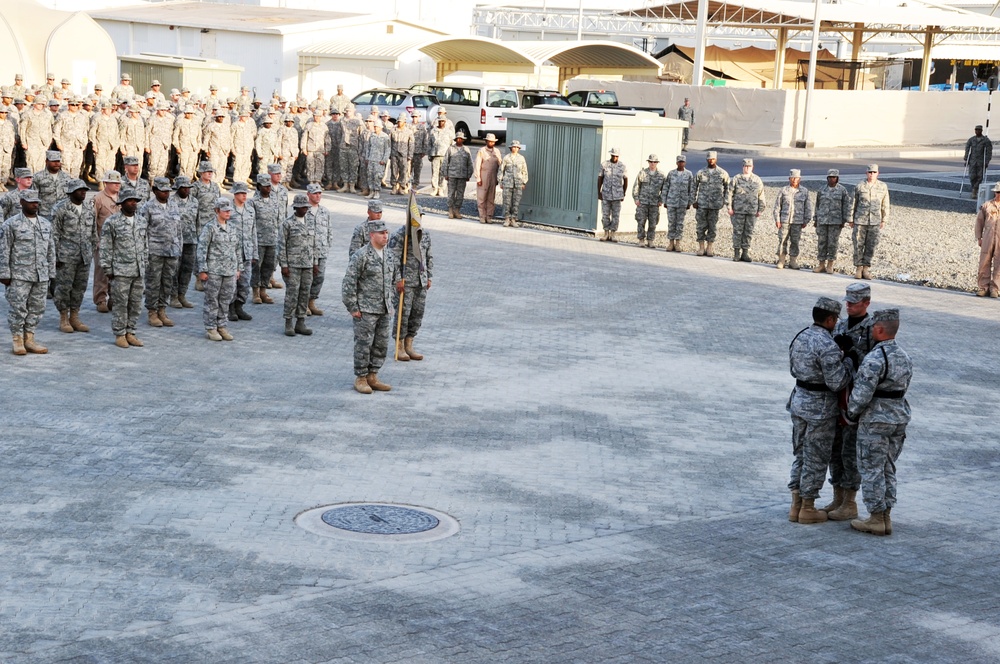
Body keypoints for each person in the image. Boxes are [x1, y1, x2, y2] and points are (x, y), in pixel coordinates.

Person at [786, 296, 854, 525]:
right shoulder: (827, 345)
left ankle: (795, 505)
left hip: (799, 401)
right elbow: (837, 382)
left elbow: (793, 368)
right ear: (830, 319)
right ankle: (808, 507)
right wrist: (847, 362)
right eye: (835, 319)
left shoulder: (800, 336)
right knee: (816, 458)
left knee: (801, 454)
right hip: (820, 408)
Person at [844, 308, 912, 536]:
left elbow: (861, 395)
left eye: (874, 327)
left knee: (871, 468)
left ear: (880, 329)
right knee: (888, 467)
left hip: (875, 421)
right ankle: (886, 517)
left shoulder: (874, 358)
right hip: (898, 418)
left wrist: (851, 414)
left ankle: (875, 516)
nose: (871, 330)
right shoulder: (904, 356)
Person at [822, 282, 875, 522]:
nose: (849, 306)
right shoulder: (840, 325)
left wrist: (855, 353)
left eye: (854, 303)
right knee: (835, 448)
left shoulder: (874, 329)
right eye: (847, 302)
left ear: (866, 303)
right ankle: (838, 496)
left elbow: (876, 364)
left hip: (857, 400)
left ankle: (850, 502)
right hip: (837, 395)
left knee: (850, 450)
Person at [342, 219, 402, 394]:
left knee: (381, 344)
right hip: (366, 310)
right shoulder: (361, 256)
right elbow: (349, 283)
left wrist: (391, 302)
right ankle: (361, 377)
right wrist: (353, 307)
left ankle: (373, 375)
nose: (385, 236)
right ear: (371, 235)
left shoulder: (390, 255)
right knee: (363, 344)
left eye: (386, 233)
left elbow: (393, 281)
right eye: (381, 233)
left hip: (383, 309)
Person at [0, 190, 56, 355]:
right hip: (19, 274)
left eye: (37, 202)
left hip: (41, 274)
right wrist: (4, 273)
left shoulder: (45, 224)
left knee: (37, 307)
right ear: (22, 202)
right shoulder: (11, 224)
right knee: (18, 308)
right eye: (31, 202)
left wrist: (51, 273)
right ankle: (17, 340)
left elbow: (51, 250)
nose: (35, 205)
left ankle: (29, 338)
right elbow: (4, 250)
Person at [100, 188, 148, 349]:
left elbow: (145, 244)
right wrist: (108, 268)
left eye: (135, 200)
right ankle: (120, 334)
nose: (133, 203)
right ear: (121, 204)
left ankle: (131, 331)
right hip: (120, 271)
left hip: (138, 270)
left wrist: (145, 263)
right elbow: (106, 247)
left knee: (135, 303)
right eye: (130, 200)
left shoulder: (141, 221)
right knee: (120, 303)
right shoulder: (112, 222)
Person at [51, 179, 96, 334]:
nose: (83, 192)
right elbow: (54, 234)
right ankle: (63, 317)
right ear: (70, 192)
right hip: (66, 256)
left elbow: (93, 233)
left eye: (84, 190)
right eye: (79, 190)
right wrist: (55, 256)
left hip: (84, 256)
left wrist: (93, 250)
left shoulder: (89, 209)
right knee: (64, 288)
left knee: (79, 288)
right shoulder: (60, 208)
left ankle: (74, 316)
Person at [388, 214, 432, 361]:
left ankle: (409, 344)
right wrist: (398, 279)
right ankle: (399, 345)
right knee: (403, 314)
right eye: (415, 216)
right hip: (405, 283)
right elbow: (392, 260)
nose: (418, 219)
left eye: (420, 216)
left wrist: (429, 276)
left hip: (420, 282)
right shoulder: (400, 235)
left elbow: (428, 257)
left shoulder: (424, 234)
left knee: (417, 313)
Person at [140, 177, 182, 329]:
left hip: (172, 251)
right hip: (155, 251)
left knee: (167, 282)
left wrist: (179, 248)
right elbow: (142, 232)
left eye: (168, 191)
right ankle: (152, 311)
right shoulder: (147, 207)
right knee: (153, 282)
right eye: (162, 191)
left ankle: (162, 310)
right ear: (155, 191)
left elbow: (179, 230)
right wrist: (144, 252)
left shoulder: (174, 205)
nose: (166, 194)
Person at [197, 198, 240, 341]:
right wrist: (202, 270)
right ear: (217, 211)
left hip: (229, 271)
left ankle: (222, 325)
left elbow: (238, 249)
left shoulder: (233, 228)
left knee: (225, 300)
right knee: (212, 300)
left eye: (229, 210)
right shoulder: (210, 228)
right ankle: (211, 327)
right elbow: (202, 249)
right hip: (214, 270)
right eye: (225, 210)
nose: (228, 212)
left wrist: (238, 268)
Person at [279, 193, 317, 337]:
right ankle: (289, 322)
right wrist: (284, 265)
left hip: (307, 265)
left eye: (306, 207)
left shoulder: (310, 222)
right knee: (292, 294)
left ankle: (300, 322)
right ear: (296, 208)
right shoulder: (287, 224)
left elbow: (314, 244)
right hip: (293, 265)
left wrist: (315, 262)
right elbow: (281, 246)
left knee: (304, 293)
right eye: (302, 207)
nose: (305, 210)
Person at [851, 164, 890, 280]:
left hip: (875, 221)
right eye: (869, 172)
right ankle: (858, 267)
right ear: (866, 173)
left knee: (871, 245)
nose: (871, 174)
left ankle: (866, 268)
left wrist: (884, 219)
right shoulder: (859, 186)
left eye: (874, 172)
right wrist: (850, 219)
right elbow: (853, 203)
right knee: (858, 244)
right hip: (860, 220)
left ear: (878, 173)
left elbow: (885, 204)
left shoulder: (883, 186)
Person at [92, 170, 122, 313]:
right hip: (103, 243)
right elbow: (92, 222)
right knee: (102, 273)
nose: (117, 185)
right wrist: (95, 241)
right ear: (106, 183)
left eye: (118, 183)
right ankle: (100, 300)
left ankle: (114, 298)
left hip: (120, 243)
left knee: (117, 273)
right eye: (114, 183)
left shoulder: (122, 197)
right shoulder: (98, 199)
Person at [813, 168, 852, 274]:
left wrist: (845, 220)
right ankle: (821, 265)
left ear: (837, 178)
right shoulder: (822, 190)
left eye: (834, 177)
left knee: (833, 243)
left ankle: (830, 264)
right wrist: (815, 218)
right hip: (822, 221)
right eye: (830, 177)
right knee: (822, 243)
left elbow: (846, 206)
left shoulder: (842, 190)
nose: (832, 179)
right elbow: (817, 205)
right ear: (827, 178)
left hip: (836, 221)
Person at [228, 182, 258, 322]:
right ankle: (231, 308)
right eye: (241, 193)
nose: (244, 196)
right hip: (232, 252)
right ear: (234, 194)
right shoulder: (228, 210)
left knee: (245, 283)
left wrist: (255, 254)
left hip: (247, 252)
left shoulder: (250, 210)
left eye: (245, 193)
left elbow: (253, 233)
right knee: (232, 282)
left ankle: (239, 306)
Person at [773, 168, 813, 270]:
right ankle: (781, 260)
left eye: (797, 178)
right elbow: (777, 206)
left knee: (795, 241)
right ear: (789, 179)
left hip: (797, 221)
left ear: (800, 179)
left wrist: (806, 220)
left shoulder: (804, 191)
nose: (794, 180)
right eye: (793, 178)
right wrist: (777, 219)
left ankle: (793, 261)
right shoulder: (784, 190)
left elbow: (808, 207)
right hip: (785, 220)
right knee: (782, 240)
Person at [692, 150, 730, 257]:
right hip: (702, 204)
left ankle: (710, 247)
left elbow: (728, 187)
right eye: (709, 159)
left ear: (716, 159)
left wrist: (724, 200)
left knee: (712, 226)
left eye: (712, 159)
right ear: (706, 160)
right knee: (700, 226)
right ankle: (701, 247)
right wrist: (693, 200)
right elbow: (694, 187)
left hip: (715, 204)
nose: (711, 161)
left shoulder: (722, 173)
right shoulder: (700, 173)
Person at [250, 173, 281, 305]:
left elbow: (278, 219)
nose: (268, 188)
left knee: (268, 266)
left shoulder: (275, 200)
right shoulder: (253, 202)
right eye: (265, 186)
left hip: (272, 239)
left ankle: (264, 290)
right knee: (257, 267)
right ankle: (256, 292)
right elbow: (250, 222)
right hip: (259, 240)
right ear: (258, 186)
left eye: (269, 186)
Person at [728, 158, 766, 262]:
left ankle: (745, 253)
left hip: (751, 211)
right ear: (743, 167)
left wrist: (760, 209)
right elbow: (730, 194)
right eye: (745, 166)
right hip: (738, 210)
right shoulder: (737, 178)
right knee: (737, 231)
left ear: (752, 167)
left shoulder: (757, 180)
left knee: (748, 232)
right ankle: (736, 253)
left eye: (749, 166)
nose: (747, 168)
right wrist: (729, 207)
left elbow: (761, 195)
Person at [169, 176, 199, 309]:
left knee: (187, 269)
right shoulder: (170, 201)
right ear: (178, 188)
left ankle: (182, 294)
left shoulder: (194, 201)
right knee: (175, 269)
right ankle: (173, 296)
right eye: (183, 188)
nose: (186, 190)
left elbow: (196, 220)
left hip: (191, 240)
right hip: (175, 240)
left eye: (188, 187)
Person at [305, 184, 331, 315]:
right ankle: (303, 303)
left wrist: (327, 246)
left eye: (320, 193)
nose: (318, 196)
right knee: (307, 278)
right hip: (307, 253)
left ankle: (311, 301)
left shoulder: (324, 211)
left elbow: (329, 231)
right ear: (308, 194)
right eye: (315, 193)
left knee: (319, 278)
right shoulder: (304, 211)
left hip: (321, 251)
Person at [632, 154, 665, 248]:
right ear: (648, 162)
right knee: (641, 221)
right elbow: (636, 186)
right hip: (642, 202)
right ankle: (641, 239)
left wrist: (661, 200)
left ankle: (650, 240)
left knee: (653, 222)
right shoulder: (642, 173)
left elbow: (665, 189)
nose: (652, 164)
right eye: (651, 162)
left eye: (655, 162)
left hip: (654, 203)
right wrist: (636, 198)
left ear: (657, 163)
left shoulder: (661, 175)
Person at [662, 154, 693, 252]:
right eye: (679, 162)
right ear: (676, 163)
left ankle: (678, 243)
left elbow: (691, 189)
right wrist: (665, 200)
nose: (681, 164)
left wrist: (690, 202)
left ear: (685, 163)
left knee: (680, 223)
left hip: (682, 202)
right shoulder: (671, 173)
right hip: (671, 201)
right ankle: (671, 243)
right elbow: (666, 187)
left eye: (682, 162)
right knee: (671, 223)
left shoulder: (689, 174)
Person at [974, 181, 1000, 297]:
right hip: (988, 237)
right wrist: (979, 237)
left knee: (999, 264)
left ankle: (995, 288)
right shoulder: (986, 206)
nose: (997, 194)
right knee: (984, 262)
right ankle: (983, 287)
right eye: (996, 192)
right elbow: (979, 222)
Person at [597, 147, 628, 242]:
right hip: (606, 194)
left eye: (616, 156)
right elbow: (600, 178)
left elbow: (625, 180)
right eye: (613, 156)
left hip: (617, 195)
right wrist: (599, 192)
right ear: (611, 155)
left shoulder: (622, 166)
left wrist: (623, 193)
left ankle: (613, 234)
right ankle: (606, 233)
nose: (615, 157)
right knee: (605, 215)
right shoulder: (604, 165)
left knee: (616, 215)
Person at [442, 131, 473, 219]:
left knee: (460, 194)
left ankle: (457, 210)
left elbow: (470, 163)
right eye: (458, 138)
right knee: (451, 193)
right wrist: (445, 173)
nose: (459, 140)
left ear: (463, 140)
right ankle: (450, 210)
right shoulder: (450, 149)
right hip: (452, 175)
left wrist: (469, 174)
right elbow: (445, 161)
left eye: (461, 139)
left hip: (462, 175)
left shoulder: (466, 150)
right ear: (455, 139)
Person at [499, 140, 529, 228]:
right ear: (511, 148)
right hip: (507, 183)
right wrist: (501, 181)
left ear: (518, 148)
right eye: (513, 147)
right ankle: (507, 219)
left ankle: (514, 219)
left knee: (516, 202)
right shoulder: (506, 158)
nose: (515, 149)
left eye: (516, 147)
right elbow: (501, 170)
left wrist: (524, 182)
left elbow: (524, 171)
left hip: (518, 183)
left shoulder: (521, 158)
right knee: (507, 202)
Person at [474, 133, 503, 224]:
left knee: (491, 197)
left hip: (493, 176)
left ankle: (489, 216)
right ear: (486, 141)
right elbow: (477, 165)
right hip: (484, 175)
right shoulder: (481, 151)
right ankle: (482, 216)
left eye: (493, 142)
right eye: (489, 141)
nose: (491, 143)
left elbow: (501, 165)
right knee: (482, 197)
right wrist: (478, 178)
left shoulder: (497, 151)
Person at [964, 124, 993, 199]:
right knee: (972, 176)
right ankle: (974, 188)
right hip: (972, 161)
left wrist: (987, 161)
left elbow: (988, 152)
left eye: (978, 130)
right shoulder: (971, 140)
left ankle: (975, 190)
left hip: (981, 161)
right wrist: (966, 159)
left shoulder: (986, 140)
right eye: (976, 130)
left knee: (980, 177)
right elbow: (967, 149)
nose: (977, 131)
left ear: (981, 131)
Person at [428, 116, 453, 197]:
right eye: (440, 121)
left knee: (443, 173)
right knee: (435, 173)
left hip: (445, 155)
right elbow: (429, 143)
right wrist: (429, 154)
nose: (441, 123)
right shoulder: (433, 131)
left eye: (442, 121)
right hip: (435, 154)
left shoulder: (449, 132)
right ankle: (435, 188)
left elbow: (452, 144)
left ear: (445, 122)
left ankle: (441, 189)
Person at [390, 113, 414, 195]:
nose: (399, 123)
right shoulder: (393, 131)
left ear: (404, 122)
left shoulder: (408, 132)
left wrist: (410, 155)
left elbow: (411, 144)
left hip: (404, 154)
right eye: (398, 121)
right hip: (394, 153)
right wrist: (389, 154)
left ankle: (401, 187)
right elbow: (389, 142)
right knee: (394, 171)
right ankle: (394, 186)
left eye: (401, 121)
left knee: (403, 171)